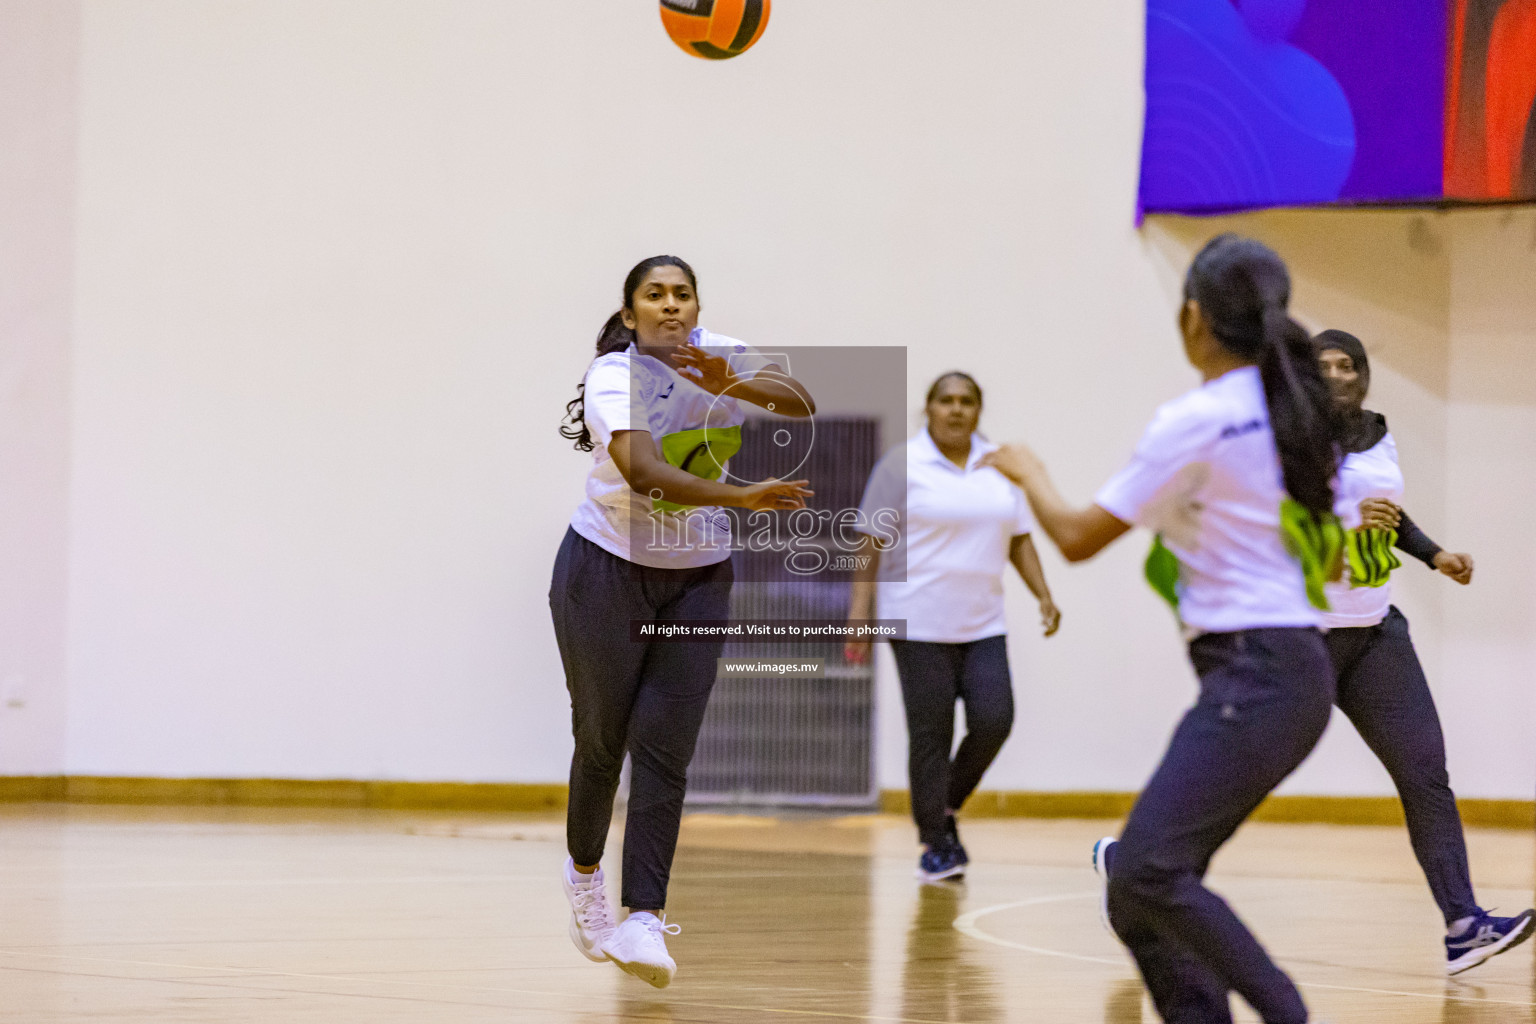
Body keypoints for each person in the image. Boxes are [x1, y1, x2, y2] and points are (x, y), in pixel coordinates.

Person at [982, 235, 1341, 1024]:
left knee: (1141, 872)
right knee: (1140, 897)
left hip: (1258, 672)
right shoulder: (1283, 408)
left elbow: (1076, 537)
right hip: (1285, 670)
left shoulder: (1200, 419)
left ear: (1194, 320)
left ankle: (1288, 1013)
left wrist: (1028, 471)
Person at [551, 255, 814, 988]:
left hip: (698, 576)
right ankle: (583, 880)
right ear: (631, 315)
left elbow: (798, 402)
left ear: (696, 307)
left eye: (682, 294)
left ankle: (643, 918)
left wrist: (725, 376)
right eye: (654, 296)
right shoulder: (614, 375)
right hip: (604, 569)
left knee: (665, 747)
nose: (670, 305)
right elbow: (642, 472)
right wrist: (741, 498)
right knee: (602, 740)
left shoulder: (722, 354)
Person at [1314, 328, 1534, 975]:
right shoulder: (1290, 442)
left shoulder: (1379, 433)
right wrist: (1349, 527)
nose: (1336, 375)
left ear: (1362, 375)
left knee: (1425, 775)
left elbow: (1389, 515)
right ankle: (1137, 869)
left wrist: (1435, 554)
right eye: (1321, 366)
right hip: (1305, 637)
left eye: (1347, 364)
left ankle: (1464, 924)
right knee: (1242, 778)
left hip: (1375, 632)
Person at [845, 372, 1059, 882]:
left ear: (979, 411)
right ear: (929, 408)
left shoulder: (1000, 467)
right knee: (931, 735)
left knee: (994, 719)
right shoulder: (902, 465)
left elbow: (1020, 539)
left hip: (983, 623)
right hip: (917, 622)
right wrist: (859, 613)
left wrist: (1044, 594)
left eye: (967, 402)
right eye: (947, 401)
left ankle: (944, 806)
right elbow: (870, 542)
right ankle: (935, 845)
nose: (956, 410)